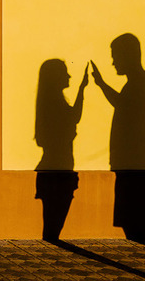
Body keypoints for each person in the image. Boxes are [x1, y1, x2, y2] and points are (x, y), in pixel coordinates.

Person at [90, 33, 145, 242]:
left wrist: (101, 84)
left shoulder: (140, 83)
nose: (113, 62)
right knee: (139, 226)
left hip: (136, 167)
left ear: (128, 55)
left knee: (141, 227)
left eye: (115, 56)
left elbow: (124, 107)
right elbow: (122, 104)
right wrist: (101, 84)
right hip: (134, 165)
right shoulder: (138, 83)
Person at [34, 59, 87, 241]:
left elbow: (72, 119)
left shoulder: (50, 100)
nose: (69, 75)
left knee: (51, 224)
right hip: (59, 167)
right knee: (53, 227)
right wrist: (82, 89)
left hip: (53, 166)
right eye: (65, 72)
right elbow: (74, 119)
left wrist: (81, 89)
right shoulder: (54, 101)